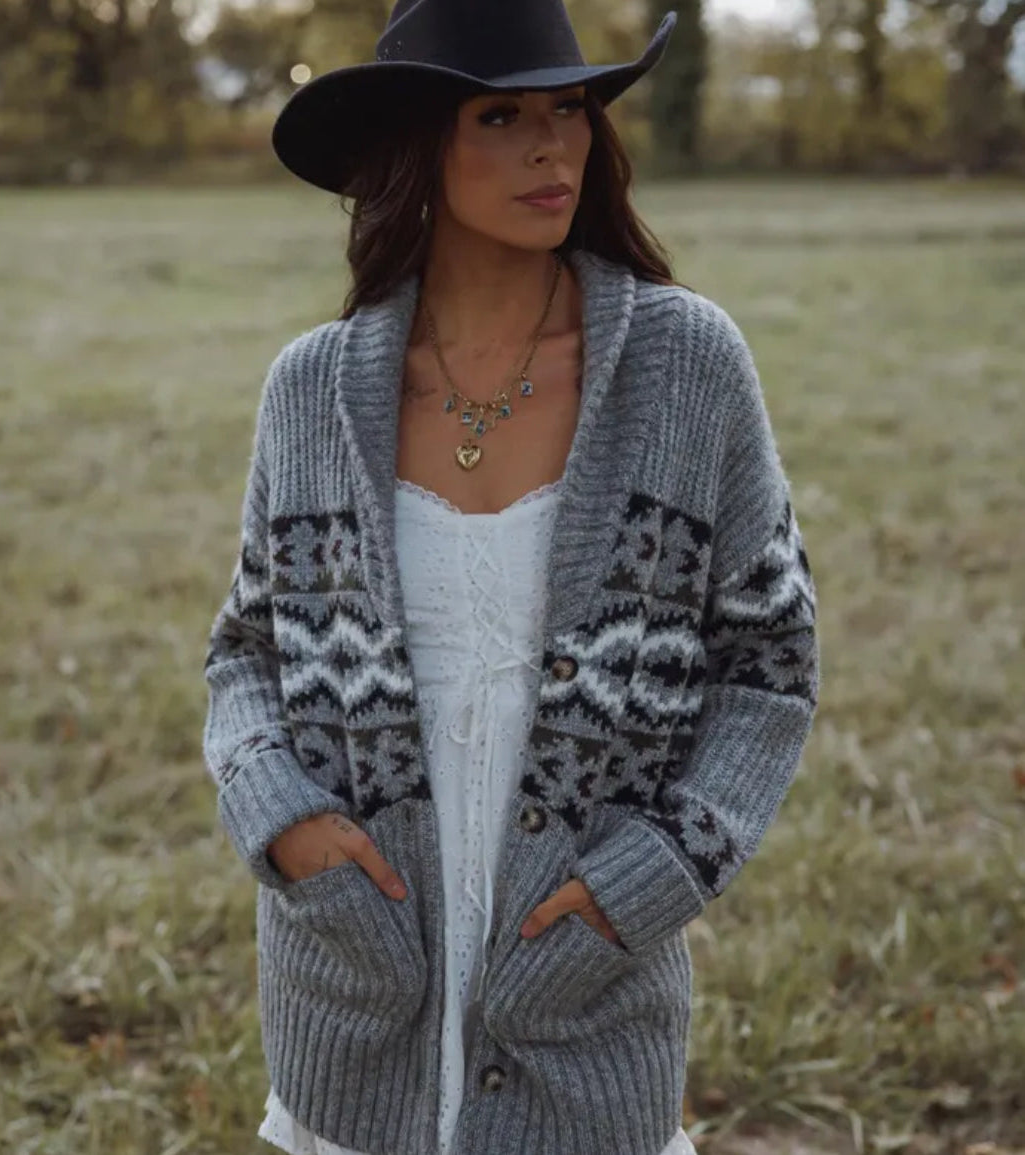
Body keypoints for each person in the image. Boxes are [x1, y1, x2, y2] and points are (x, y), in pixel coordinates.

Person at [201, 1, 821, 1153]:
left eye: (571, 111)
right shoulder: (313, 390)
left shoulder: (687, 370)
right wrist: (283, 823)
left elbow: (770, 667)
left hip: (585, 1025)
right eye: (502, 115)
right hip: (348, 1021)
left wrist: (649, 878)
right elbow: (246, 653)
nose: (554, 148)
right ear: (415, 148)